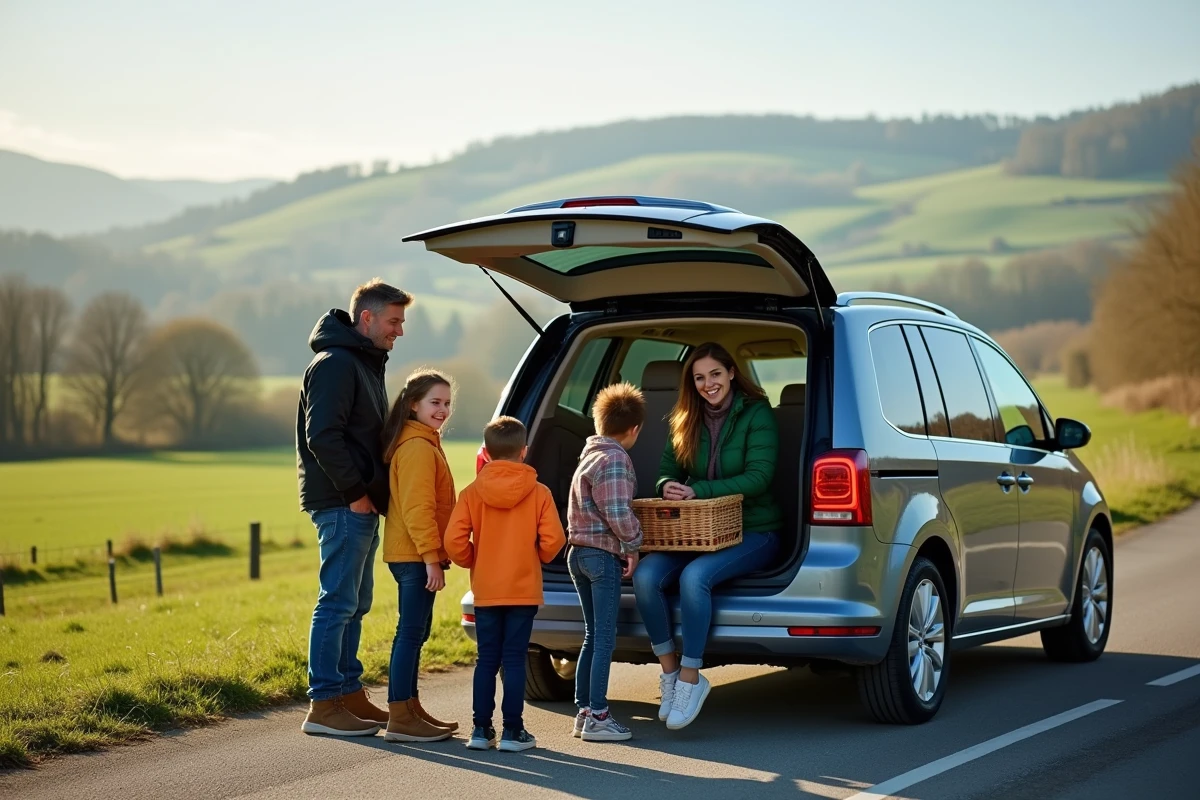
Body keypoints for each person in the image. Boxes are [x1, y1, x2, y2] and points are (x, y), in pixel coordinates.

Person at [634, 342, 782, 731]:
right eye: (699, 378)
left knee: (694, 578)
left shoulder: (757, 414)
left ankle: (691, 677)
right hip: (698, 531)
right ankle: (669, 673)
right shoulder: (686, 416)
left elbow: (759, 477)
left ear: (732, 373)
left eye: (715, 374)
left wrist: (698, 490)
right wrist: (669, 486)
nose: (707, 384)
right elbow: (667, 468)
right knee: (647, 577)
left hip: (755, 529)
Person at [298, 278, 411, 737]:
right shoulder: (336, 364)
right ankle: (324, 705)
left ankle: (347, 692)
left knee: (356, 602)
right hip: (343, 502)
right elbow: (322, 435)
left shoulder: (363, 362)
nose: (399, 331)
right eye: (393, 321)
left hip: (358, 502)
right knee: (338, 602)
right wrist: (356, 494)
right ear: (366, 318)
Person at [445, 416, 567, 752]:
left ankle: (481, 731)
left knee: (486, 660)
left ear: (486, 451)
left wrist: (474, 559)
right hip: (522, 590)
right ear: (524, 451)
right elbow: (554, 538)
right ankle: (514, 732)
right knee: (514, 660)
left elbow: (454, 540)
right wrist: (537, 557)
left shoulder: (472, 492)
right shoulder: (539, 492)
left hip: (487, 590)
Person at [379, 368, 459, 743]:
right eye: (435, 402)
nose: (442, 410)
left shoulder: (425, 442)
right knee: (409, 633)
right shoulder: (415, 448)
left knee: (417, 632)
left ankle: (411, 709)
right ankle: (401, 715)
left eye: (447, 403)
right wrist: (430, 557)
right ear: (413, 405)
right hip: (414, 556)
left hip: (418, 554)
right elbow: (417, 510)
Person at [566, 382, 646, 743]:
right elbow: (616, 510)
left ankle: (584, 712)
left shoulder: (588, 455)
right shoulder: (615, 458)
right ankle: (598, 715)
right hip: (601, 556)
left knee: (591, 635)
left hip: (577, 553)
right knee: (604, 639)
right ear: (635, 429)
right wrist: (633, 544)